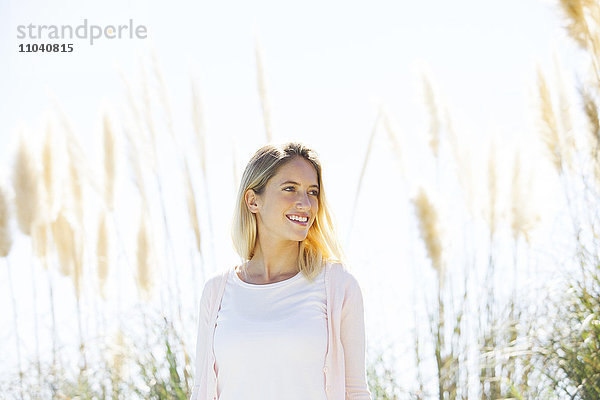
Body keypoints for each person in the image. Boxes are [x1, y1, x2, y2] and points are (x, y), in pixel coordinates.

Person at [190, 141, 372, 400]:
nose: (305, 203)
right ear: (253, 200)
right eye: (290, 189)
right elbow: (201, 391)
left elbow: (355, 391)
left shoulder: (338, 286)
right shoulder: (217, 291)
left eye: (313, 192)